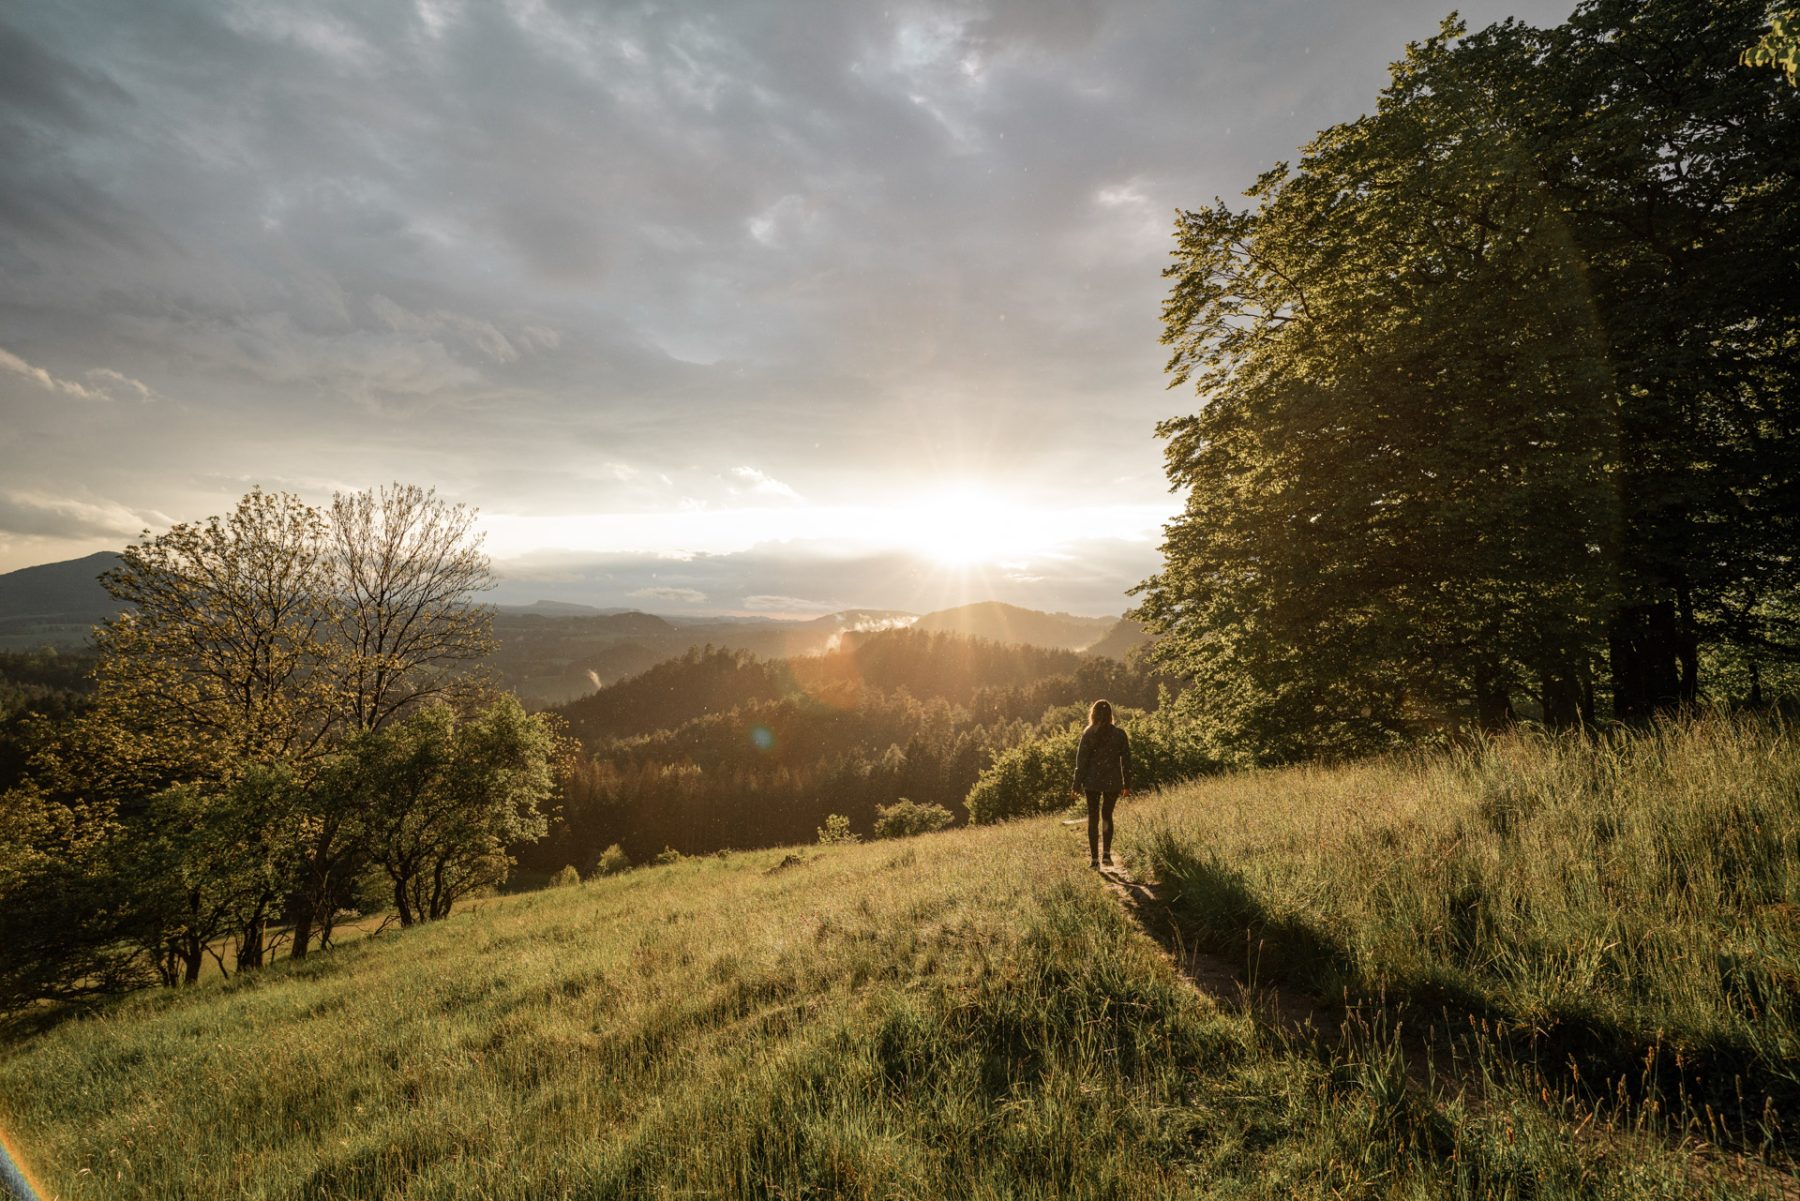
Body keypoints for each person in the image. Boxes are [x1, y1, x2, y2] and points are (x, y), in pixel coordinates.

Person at [1072, 698, 1131, 868]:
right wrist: (1127, 785)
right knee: (1107, 816)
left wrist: (1076, 786)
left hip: (1092, 781)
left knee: (1093, 818)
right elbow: (1127, 761)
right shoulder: (1120, 734)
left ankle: (1094, 860)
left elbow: (1081, 762)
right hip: (1113, 782)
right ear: (1111, 714)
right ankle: (1106, 855)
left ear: (1093, 714)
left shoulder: (1089, 734)